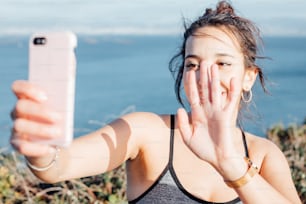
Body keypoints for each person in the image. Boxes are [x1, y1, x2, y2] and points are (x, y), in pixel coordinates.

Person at [10, 1, 301, 203]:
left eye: (222, 63)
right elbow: (59, 166)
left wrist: (230, 163)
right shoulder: (148, 133)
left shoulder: (264, 156)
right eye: (192, 64)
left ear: (249, 77)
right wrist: (40, 152)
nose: (205, 76)